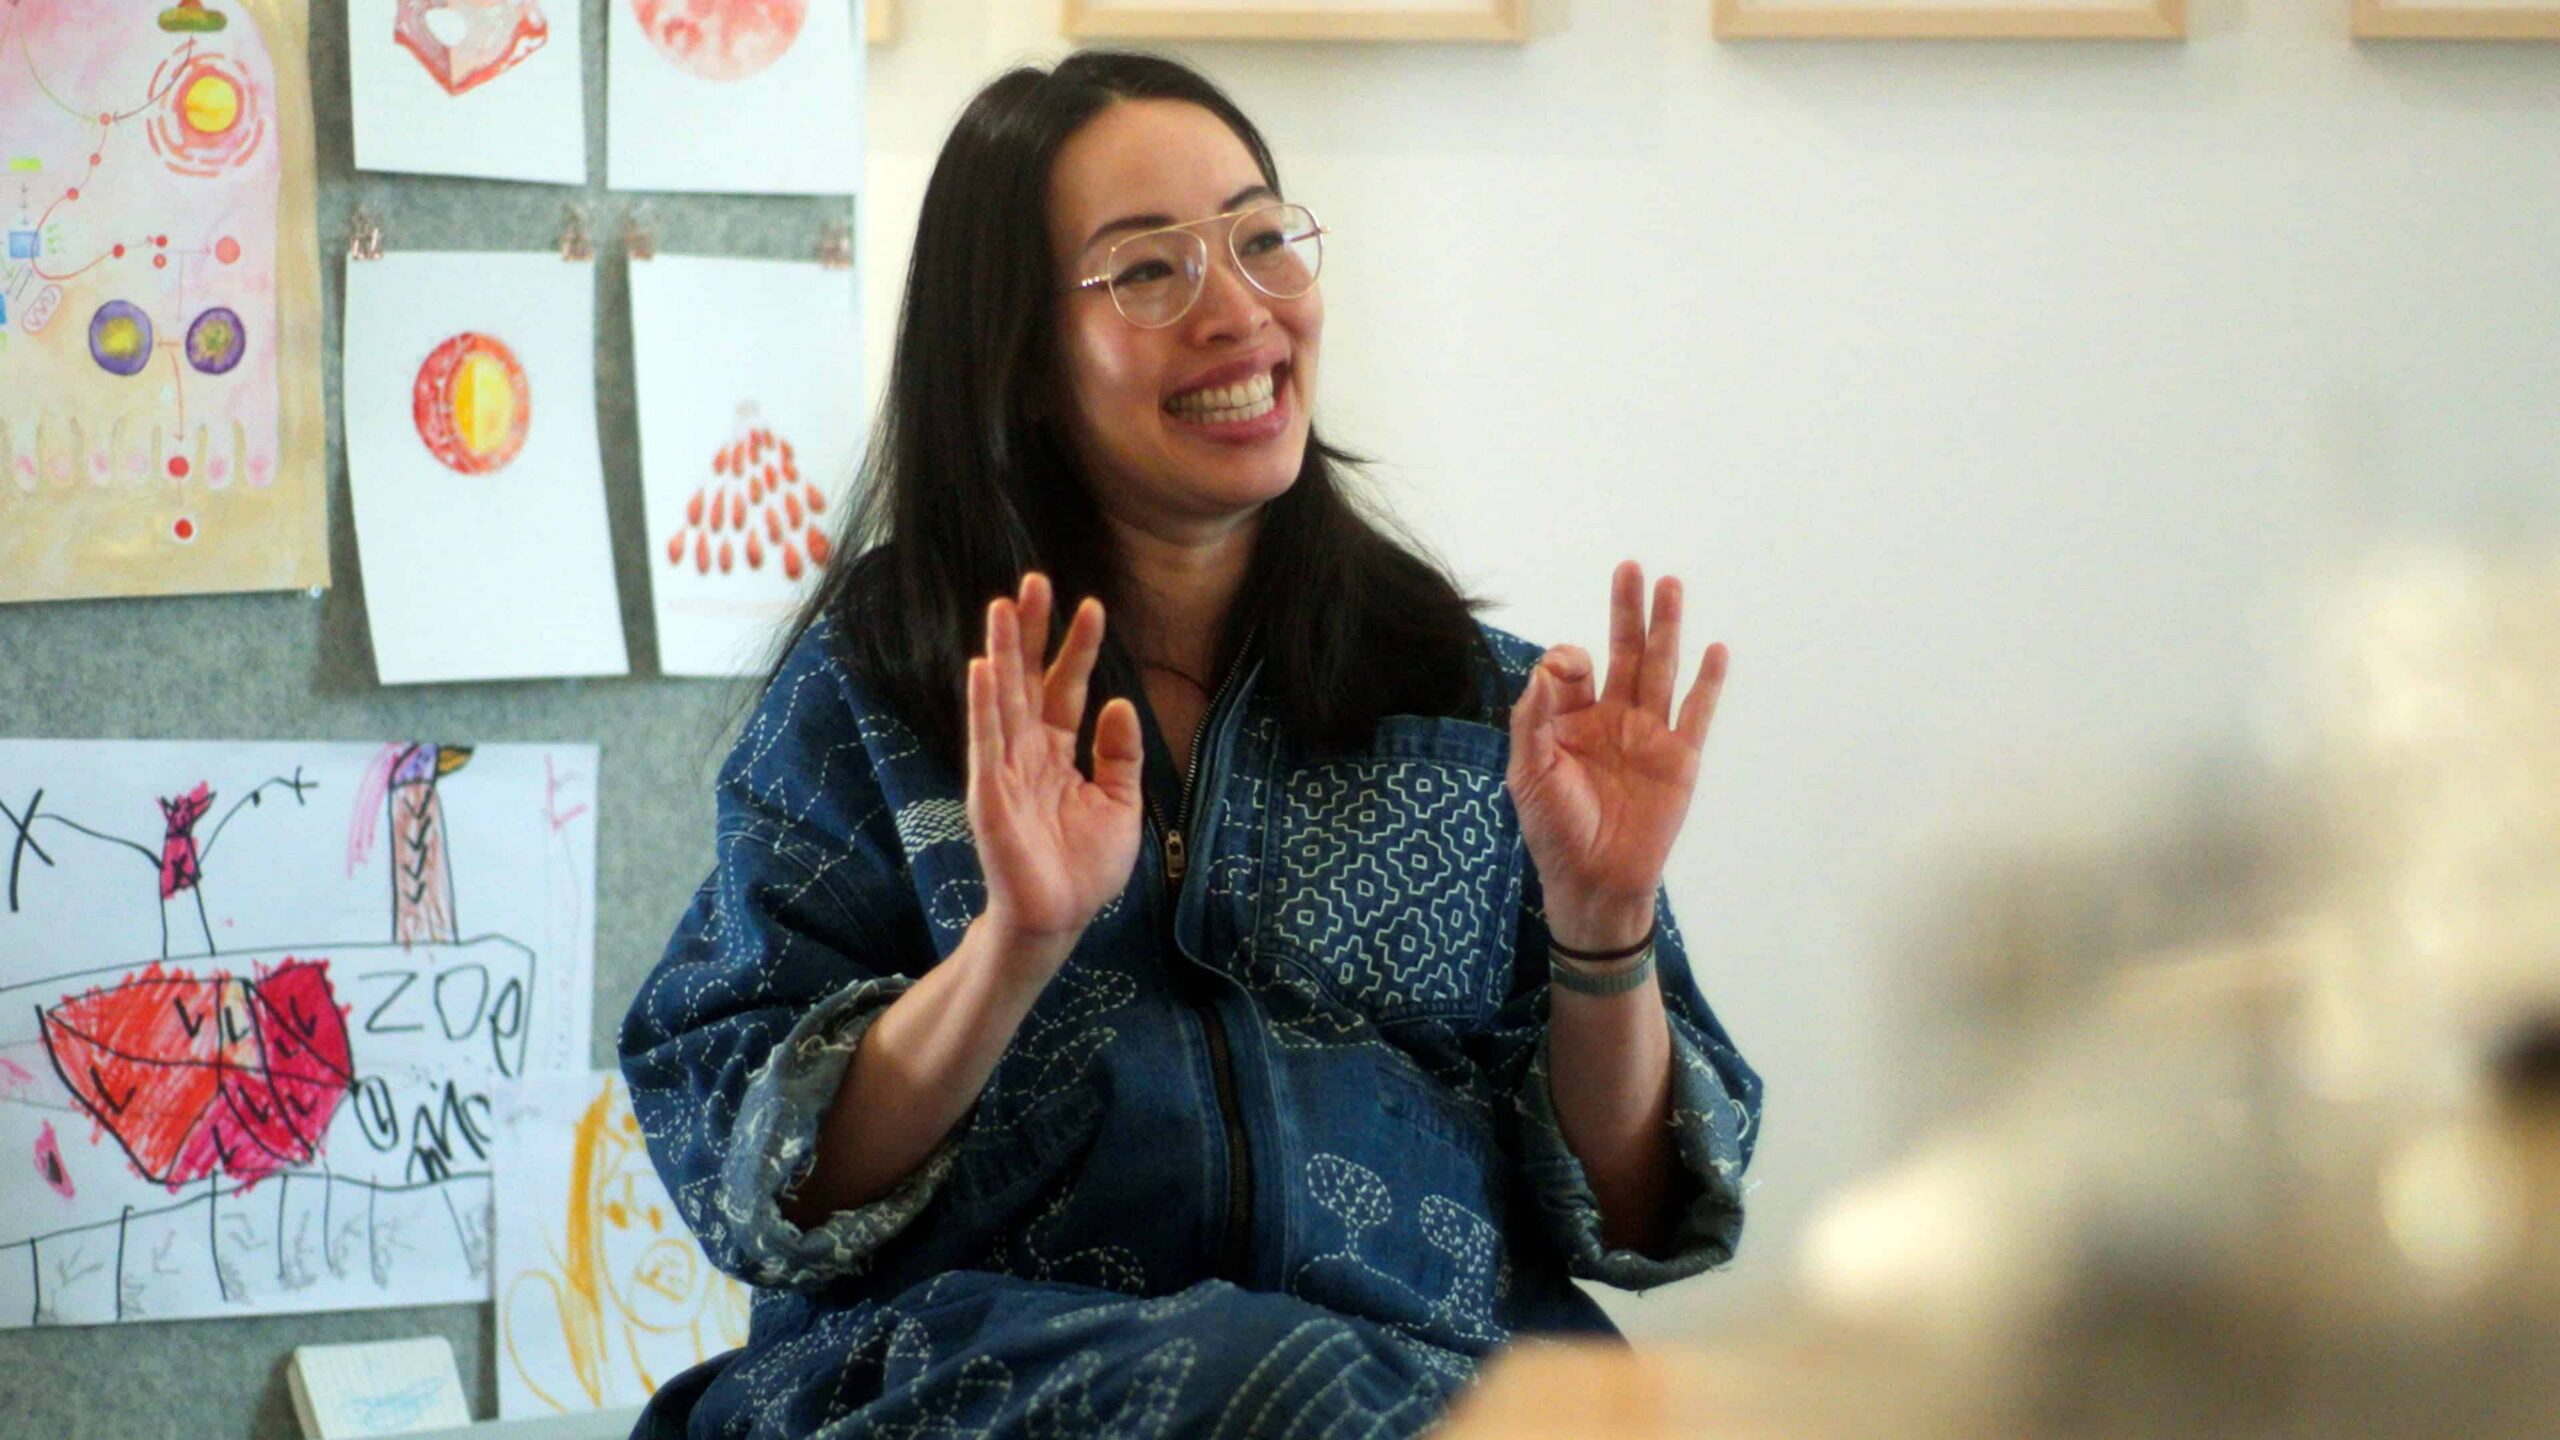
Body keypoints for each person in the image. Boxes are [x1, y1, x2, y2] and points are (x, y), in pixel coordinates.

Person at [619, 49, 1762, 1439]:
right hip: (968, 1384)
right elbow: (761, 1173)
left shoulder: (1474, 705)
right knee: (1271, 1383)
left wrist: (1605, 928)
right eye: (1149, 271)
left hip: (1425, 1383)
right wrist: (1012, 949)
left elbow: (1645, 1210)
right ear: (1022, 358)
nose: (1240, 311)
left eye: (1263, 240)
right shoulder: (886, 686)